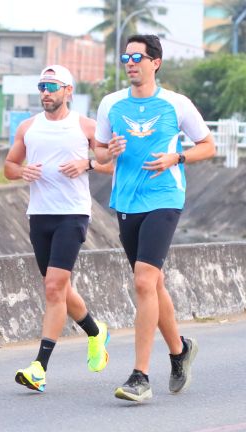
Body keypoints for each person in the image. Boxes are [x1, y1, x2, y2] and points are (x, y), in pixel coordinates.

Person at [94, 34, 216, 402]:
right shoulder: (110, 104)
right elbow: (99, 151)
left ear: (155, 62)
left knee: (144, 282)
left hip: (165, 197)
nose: (130, 63)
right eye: (125, 57)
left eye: (137, 57)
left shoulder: (176, 104)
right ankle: (179, 350)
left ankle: (140, 376)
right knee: (154, 285)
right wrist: (107, 150)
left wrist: (176, 158)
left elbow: (208, 145)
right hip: (126, 201)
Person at [4, 65, 114, 393]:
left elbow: (113, 163)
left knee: (53, 288)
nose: (45, 92)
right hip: (39, 215)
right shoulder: (28, 127)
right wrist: (21, 171)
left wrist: (88, 164)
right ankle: (96, 332)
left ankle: (39, 367)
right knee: (61, 289)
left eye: (52, 86)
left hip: (72, 215)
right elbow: (8, 166)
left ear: (68, 90)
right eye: (41, 86)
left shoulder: (85, 126)